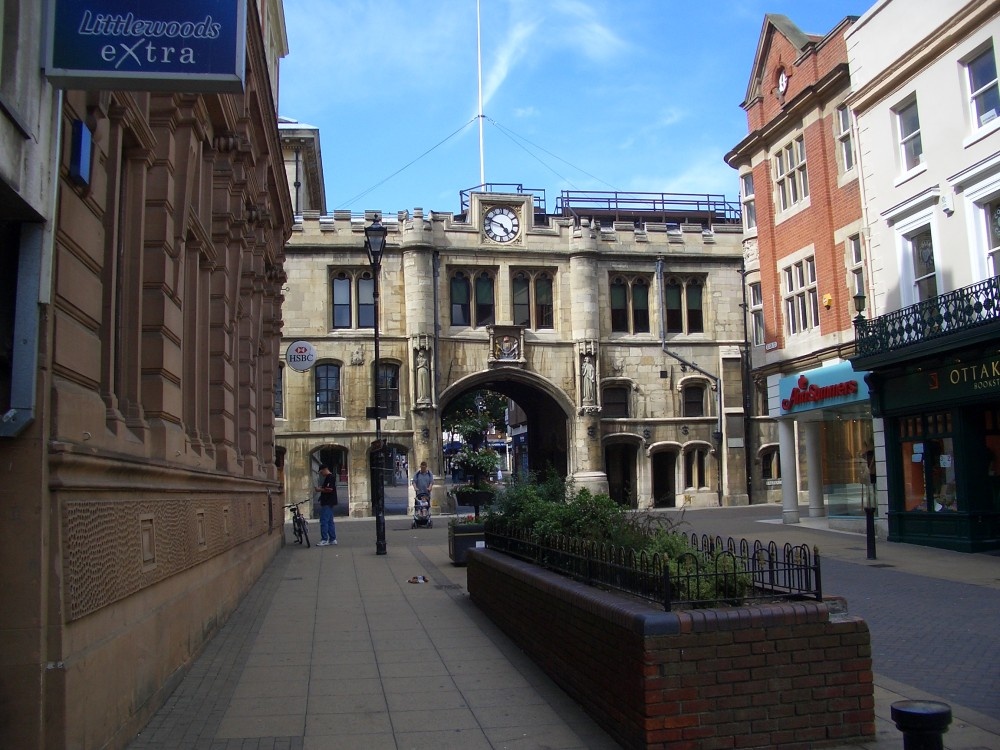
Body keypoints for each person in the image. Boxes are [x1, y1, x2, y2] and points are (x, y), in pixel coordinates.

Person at [314, 464, 338, 546]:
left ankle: (324, 539)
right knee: (330, 521)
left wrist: (319, 489)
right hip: (329, 502)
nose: (321, 474)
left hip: (327, 502)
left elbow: (329, 489)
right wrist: (322, 487)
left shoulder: (330, 477)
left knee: (324, 521)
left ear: (324, 469)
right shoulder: (329, 477)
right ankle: (332, 539)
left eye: (321, 472)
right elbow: (327, 487)